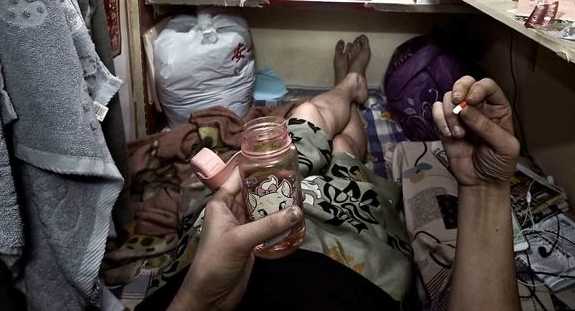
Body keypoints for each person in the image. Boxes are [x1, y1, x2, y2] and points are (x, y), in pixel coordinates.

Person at [161, 38, 521, 311]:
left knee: (308, 117)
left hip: (236, 227)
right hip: (355, 255)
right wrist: (486, 187)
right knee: (346, 149)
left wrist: (195, 299)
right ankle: (350, 86)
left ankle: (347, 85)